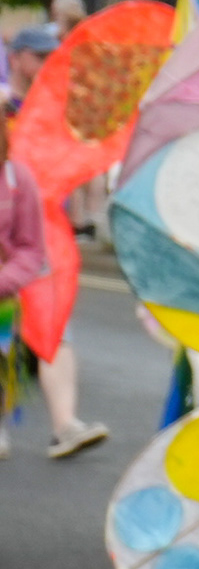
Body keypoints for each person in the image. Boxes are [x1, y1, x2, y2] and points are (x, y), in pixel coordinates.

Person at [0, 151, 104, 460]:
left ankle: (65, 425)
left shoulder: (17, 176)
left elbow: (30, 246)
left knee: (54, 329)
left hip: (21, 270)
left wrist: (7, 279)